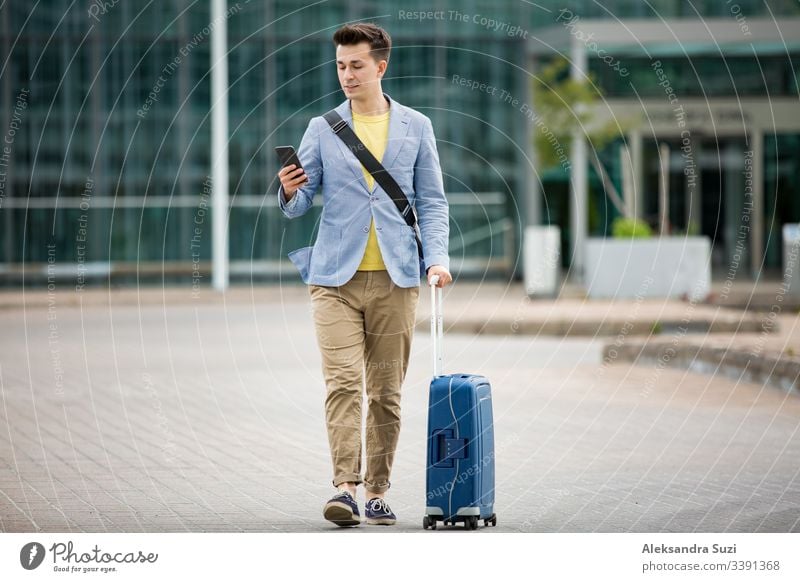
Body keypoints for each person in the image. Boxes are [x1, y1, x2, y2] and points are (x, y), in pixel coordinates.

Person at [277, 22, 451, 527]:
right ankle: (345, 490)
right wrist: (290, 190)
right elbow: (301, 203)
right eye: (340, 66)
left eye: (356, 65)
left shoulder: (416, 126)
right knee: (343, 383)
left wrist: (436, 259)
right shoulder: (322, 127)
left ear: (380, 66)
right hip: (334, 278)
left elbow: (433, 202)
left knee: (387, 393)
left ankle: (377, 489)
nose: (347, 75)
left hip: (397, 279)